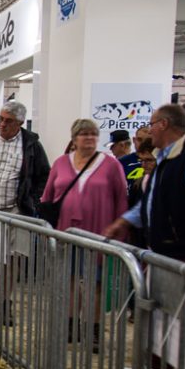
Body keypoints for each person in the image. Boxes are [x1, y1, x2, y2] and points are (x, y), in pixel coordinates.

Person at [104, 103, 185, 369]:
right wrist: (125, 221)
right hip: (161, 247)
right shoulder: (164, 159)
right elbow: (150, 203)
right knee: (157, 308)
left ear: (165, 125)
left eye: (152, 123)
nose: (148, 129)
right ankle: (156, 363)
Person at [41, 119, 128, 351]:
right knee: (69, 280)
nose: (88, 138)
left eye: (93, 134)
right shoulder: (60, 163)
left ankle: (94, 329)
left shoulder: (110, 165)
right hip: (66, 231)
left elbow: (121, 199)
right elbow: (47, 196)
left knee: (95, 283)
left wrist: (120, 230)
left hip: (99, 231)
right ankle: (71, 325)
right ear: (74, 138)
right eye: (83, 134)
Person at [118, 126, 150, 195]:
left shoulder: (159, 161)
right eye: (139, 139)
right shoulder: (121, 162)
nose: (143, 143)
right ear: (134, 140)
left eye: (147, 140)